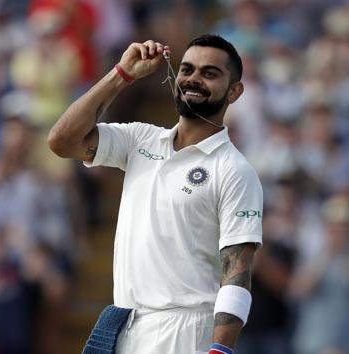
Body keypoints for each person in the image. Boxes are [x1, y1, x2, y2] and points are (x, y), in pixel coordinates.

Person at [48, 34, 263, 354]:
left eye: (209, 73)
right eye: (187, 70)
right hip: (127, 324)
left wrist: (221, 350)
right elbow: (62, 141)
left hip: (186, 331)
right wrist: (121, 74)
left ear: (235, 91)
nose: (193, 79)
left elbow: (238, 272)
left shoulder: (234, 170)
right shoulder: (140, 139)